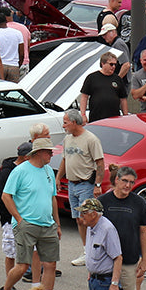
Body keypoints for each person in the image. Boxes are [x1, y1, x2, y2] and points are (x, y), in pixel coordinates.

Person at [0, 138, 61, 290]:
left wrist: (57, 223)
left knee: (50, 265)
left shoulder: (48, 170)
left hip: (47, 224)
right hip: (27, 224)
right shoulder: (20, 171)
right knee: (22, 266)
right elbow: (6, 196)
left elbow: (52, 198)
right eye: (49, 152)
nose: (51, 154)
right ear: (39, 153)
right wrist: (19, 220)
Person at [57, 110, 106, 263]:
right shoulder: (67, 139)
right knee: (79, 219)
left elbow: (100, 163)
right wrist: (58, 177)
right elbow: (65, 160)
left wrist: (97, 184)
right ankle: (87, 249)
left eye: (66, 122)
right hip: (72, 184)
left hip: (86, 184)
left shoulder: (91, 139)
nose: (64, 126)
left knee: (87, 218)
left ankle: (92, 251)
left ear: (75, 122)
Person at [76, 198, 122, 290]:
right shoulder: (90, 226)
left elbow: (118, 258)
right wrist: (91, 270)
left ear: (94, 214)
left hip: (105, 282)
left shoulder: (107, 229)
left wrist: (114, 284)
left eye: (84, 213)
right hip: (94, 280)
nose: (81, 216)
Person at [78, 51, 128, 122]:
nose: (113, 67)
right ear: (103, 63)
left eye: (115, 64)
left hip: (114, 118)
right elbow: (84, 97)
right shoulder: (92, 78)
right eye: (111, 64)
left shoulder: (117, 79)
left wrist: (125, 116)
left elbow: (123, 99)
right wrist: (83, 115)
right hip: (96, 118)